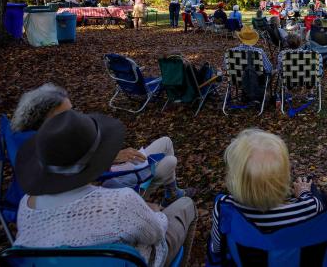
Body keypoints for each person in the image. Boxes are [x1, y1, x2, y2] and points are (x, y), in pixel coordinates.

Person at [14, 110, 196, 267]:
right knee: (187, 205)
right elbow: (156, 234)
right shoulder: (119, 203)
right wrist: (157, 212)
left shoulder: (26, 206)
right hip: (140, 261)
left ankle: (170, 193)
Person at [11, 83, 193, 205]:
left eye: (73, 112)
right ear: (44, 123)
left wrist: (113, 157)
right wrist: (109, 162)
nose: (73, 118)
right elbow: (83, 186)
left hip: (109, 172)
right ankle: (153, 195)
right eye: (65, 116)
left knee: (166, 142)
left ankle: (172, 192)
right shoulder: (43, 172)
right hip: (109, 187)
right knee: (170, 162)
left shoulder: (56, 145)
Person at [206, 129, 327, 265]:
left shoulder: (225, 208)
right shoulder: (311, 207)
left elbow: (217, 248)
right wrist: (304, 193)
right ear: (284, 178)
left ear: (236, 180)